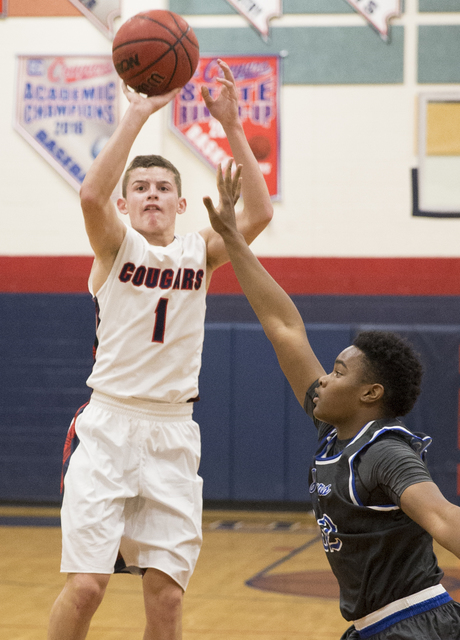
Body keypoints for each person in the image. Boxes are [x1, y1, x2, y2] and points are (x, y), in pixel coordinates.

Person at [48, 60, 273, 640]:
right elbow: (91, 192)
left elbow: (259, 214)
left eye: (163, 188)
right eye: (141, 189)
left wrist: (232, 127)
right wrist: (140, 112)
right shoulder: (114, 248)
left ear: (180, 204)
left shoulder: (200, 253)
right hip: (109, 426)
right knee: (86, 586)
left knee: (168, 600)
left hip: (174, 432)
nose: (152, 195)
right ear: (126, 207)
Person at [203, 162, 460, 640]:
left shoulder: (384, 452)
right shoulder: (334, 437)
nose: (322, 380)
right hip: (379, 627)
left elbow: (444, 517)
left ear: (370, 394)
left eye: (338, 372)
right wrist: (233, 241)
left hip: (416, 625)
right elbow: (284, 328)